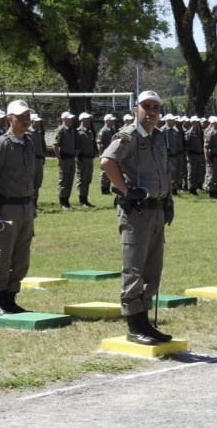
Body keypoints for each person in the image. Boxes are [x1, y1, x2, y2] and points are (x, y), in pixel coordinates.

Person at [101, 90, 174, 346]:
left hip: (156, 208)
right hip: (137, 210)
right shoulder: (129, 135)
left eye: (155, 107)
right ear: (136, 109)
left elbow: (165, 170)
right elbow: (107, 161)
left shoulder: (159, 136)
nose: (151, 111)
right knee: (134, 268)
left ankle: (145, 322)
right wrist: (125, 189)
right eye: (146, 106)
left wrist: (168, 199)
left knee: (153, 269)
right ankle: (134, 324)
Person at [0, 99, 36, 316]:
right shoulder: (2, 144)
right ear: (9, 119)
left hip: (25, 206)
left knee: (22, 257)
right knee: (3, 255)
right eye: (21, 117)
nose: (26, 120)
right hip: (7, 208)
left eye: (27, 117)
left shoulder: (30, 142)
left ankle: (12, 297)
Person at [54, 111, 77, 209]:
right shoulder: (60, 130)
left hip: (71, 158)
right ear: (64, 119)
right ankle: (62, 202)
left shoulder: (71, 130)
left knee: (70, 180)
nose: (71, 120)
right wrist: (59, 159)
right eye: (69, 118)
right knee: (63, 180)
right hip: (65, 158)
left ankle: (67, 201)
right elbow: (55, 145)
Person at [75, 111, 96, 208]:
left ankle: (86, 199)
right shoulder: (78, 132)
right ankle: (82, 200)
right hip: (82, 158)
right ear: (82, 119)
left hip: (89, 158)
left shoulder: (89, 131)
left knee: (88, 179)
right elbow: (75, 146)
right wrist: (77, 158)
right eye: (87, 118)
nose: (89, 120)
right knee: (82, 179)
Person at [97, 114, 117, 195]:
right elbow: (99, 143)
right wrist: (101, 154)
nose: (113, 122)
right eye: (111, 120)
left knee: (110, 172)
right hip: (105, 154)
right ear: (107, 121)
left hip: (111, 154)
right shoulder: (103, 131)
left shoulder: (112, 130)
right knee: (104, 173)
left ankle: (108, 188)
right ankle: (104, 189)